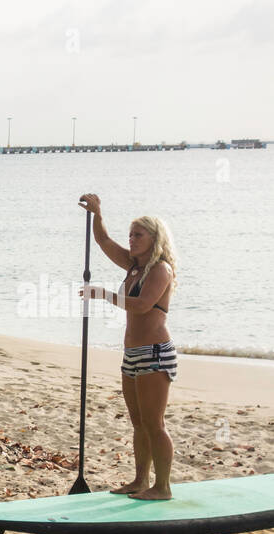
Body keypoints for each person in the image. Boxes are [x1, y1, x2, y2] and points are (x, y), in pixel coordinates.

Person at [78, 194, 178, 500]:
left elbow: (143, 305)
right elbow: (104, 241)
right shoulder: (133, 266)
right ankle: (139, 480)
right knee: (138, 423)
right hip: (132, 355)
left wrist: (105, 295)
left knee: (154, 423)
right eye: (131, 234)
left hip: (154, 354)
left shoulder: (160, 269)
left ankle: (162, 487)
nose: (132, 239)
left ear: (155, 238)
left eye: (139, 235)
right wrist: (97, 212)